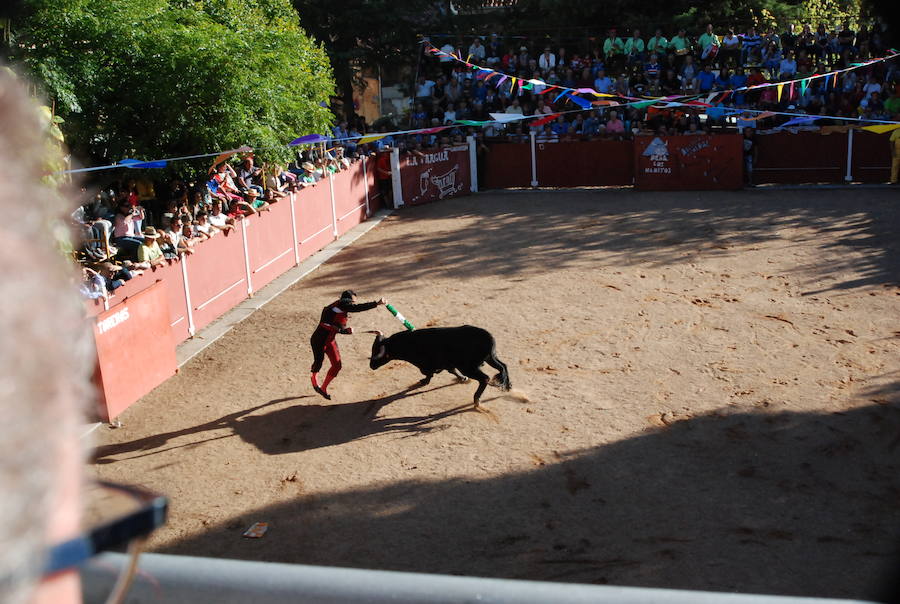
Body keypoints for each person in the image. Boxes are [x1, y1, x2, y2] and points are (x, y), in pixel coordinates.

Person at [309, 291, 386, 400]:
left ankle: (323, 388)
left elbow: (340, 327)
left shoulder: (339, 308)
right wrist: (376, 303)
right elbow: (328, 325)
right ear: (346, 301)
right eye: (352, 302)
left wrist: (369, 331)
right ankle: (314, 379)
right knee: (318, 361)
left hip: (330, 340)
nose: (353, 305)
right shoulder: (338, 307)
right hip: (319, 341)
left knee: (337, 365)